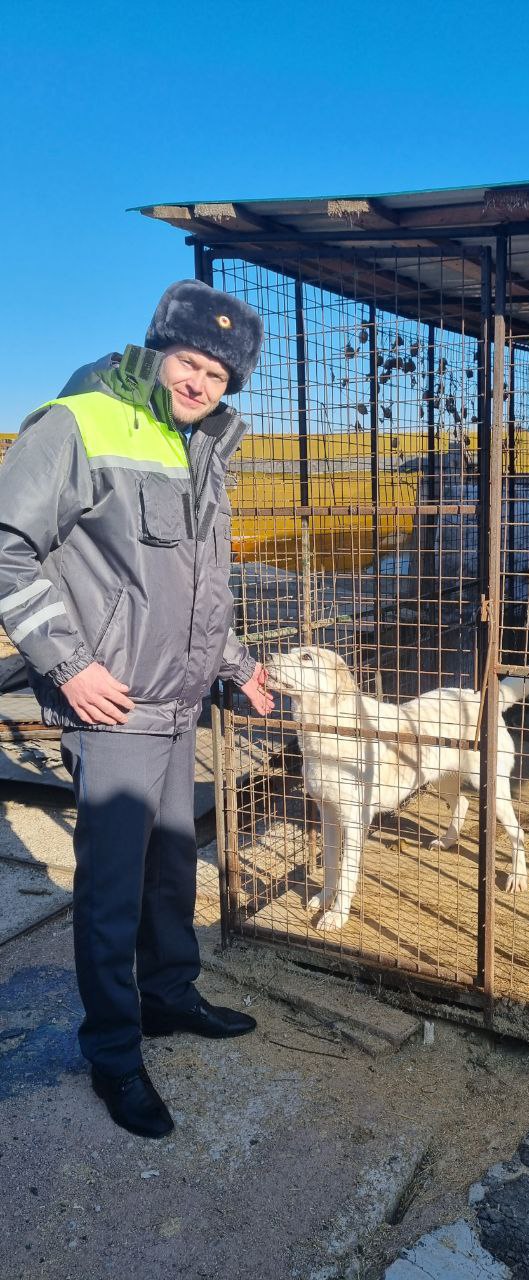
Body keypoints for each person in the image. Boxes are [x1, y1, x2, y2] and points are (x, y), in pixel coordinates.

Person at [0, 280, 274, 1138]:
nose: (200, 383)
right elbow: (9, 549)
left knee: (169, 866)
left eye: (218, 375)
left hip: (178, 701)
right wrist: (67, 665)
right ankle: (114, 1054)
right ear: (159, 348)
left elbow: (191, 587)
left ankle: (168, 997)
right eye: (191, 363)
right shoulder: (79, 421)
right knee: (113, 890)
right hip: (112, 706)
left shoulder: (202, 446)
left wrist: (236, 665)